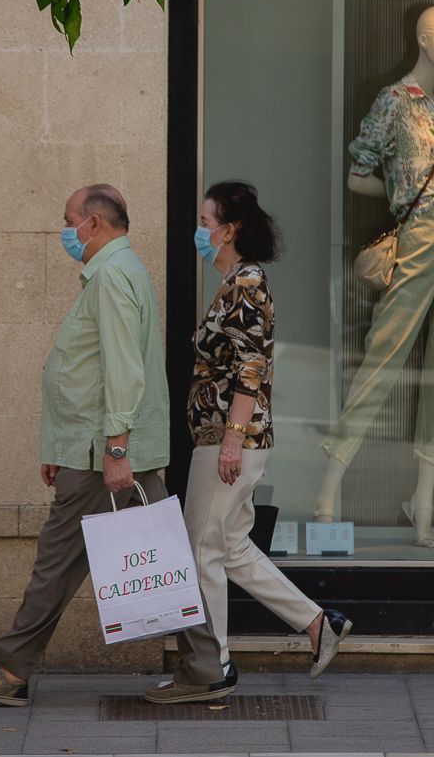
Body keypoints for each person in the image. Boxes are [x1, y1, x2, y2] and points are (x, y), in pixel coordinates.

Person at [0, 184, 228, 706]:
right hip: (96, 449)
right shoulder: (116, 272)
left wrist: (115, 450)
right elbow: (90, 371)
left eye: (68, 220)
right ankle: (205, 665)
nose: (65, 231)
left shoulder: (112, 277)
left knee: (58, 561)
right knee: (157, 555)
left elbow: (123, 368)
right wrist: (63, 445)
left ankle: (13, 671)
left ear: (93, 225)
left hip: (105, 455)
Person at [145, 182, 352, 705]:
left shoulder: (248, 284)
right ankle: (316, 623)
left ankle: (210, 665)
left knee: (202, 551)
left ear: (228, 230)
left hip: (228, 440)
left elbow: (250, 367)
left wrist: (232, 439)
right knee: (231, 547)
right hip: (225, 438)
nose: (199, 230)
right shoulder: (237, 282)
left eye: (204, 220)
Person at [315, 5, 434, 548]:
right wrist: (401, 195)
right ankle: (327, 492)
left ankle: (424, 503)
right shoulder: (392, 102)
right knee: (386, 349)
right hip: (424, 227)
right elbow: (356, 175)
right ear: (423, 39)